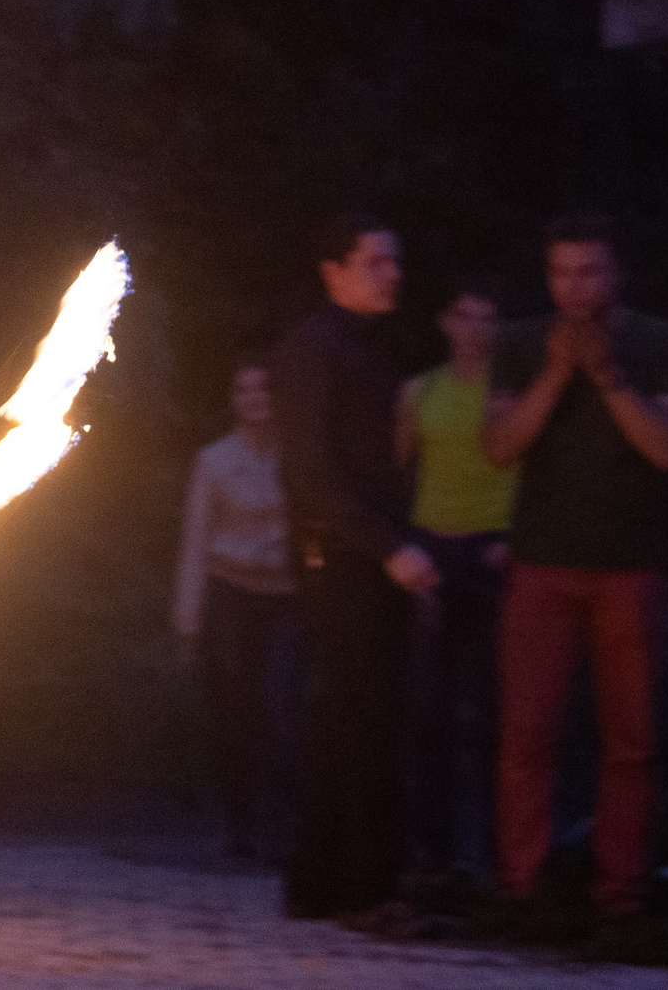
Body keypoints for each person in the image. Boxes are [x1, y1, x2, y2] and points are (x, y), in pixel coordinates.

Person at [484, 215, 668, 927]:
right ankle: (521, 890)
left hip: (630, 566)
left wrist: (607, 377)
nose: (574, 287)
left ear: (616, 274)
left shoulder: (661, 342)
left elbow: (667, 449)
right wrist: (555, 372)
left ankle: (619, 898)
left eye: (589, 272)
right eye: (561, 273)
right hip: (542, 562)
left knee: (631, 742)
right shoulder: (521, 341)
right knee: (526, 734)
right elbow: (498, 446)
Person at [273, 214, 439, 925]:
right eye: (375, 262)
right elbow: (312, 474)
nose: (392, 274)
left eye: (394, 261)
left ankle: (321, 882)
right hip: (342, 557)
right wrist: (387, 546)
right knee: (361, 720)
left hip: (361, 554)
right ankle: (366, 888)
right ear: (333, 271)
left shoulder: (364, 351)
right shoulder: (315, 350)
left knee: (347, 719)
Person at [395, 278, 515, 882]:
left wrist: (516, 540)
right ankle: (430, 847)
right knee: (430, 707)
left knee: (500, 708)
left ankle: (498, 850)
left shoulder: (513, 392)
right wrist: (404, 544)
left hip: (495, 550)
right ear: (446, 322)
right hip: (435, 549)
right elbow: (395, 471)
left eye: (487, 319)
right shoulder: (419, 391)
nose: (475, 331)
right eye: (466, 317)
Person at [172, 358, 298, 864]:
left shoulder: (298, 456)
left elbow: (315, 524)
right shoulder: (215, 461)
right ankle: (242, 824)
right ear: (234, 401)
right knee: (236, 710)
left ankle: (283, 826)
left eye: (263, 388)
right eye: (244, 391)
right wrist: (188, 613)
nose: (255, 398)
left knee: (282, 706)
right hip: (231, 591)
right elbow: (196, 538)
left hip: (286, 593)